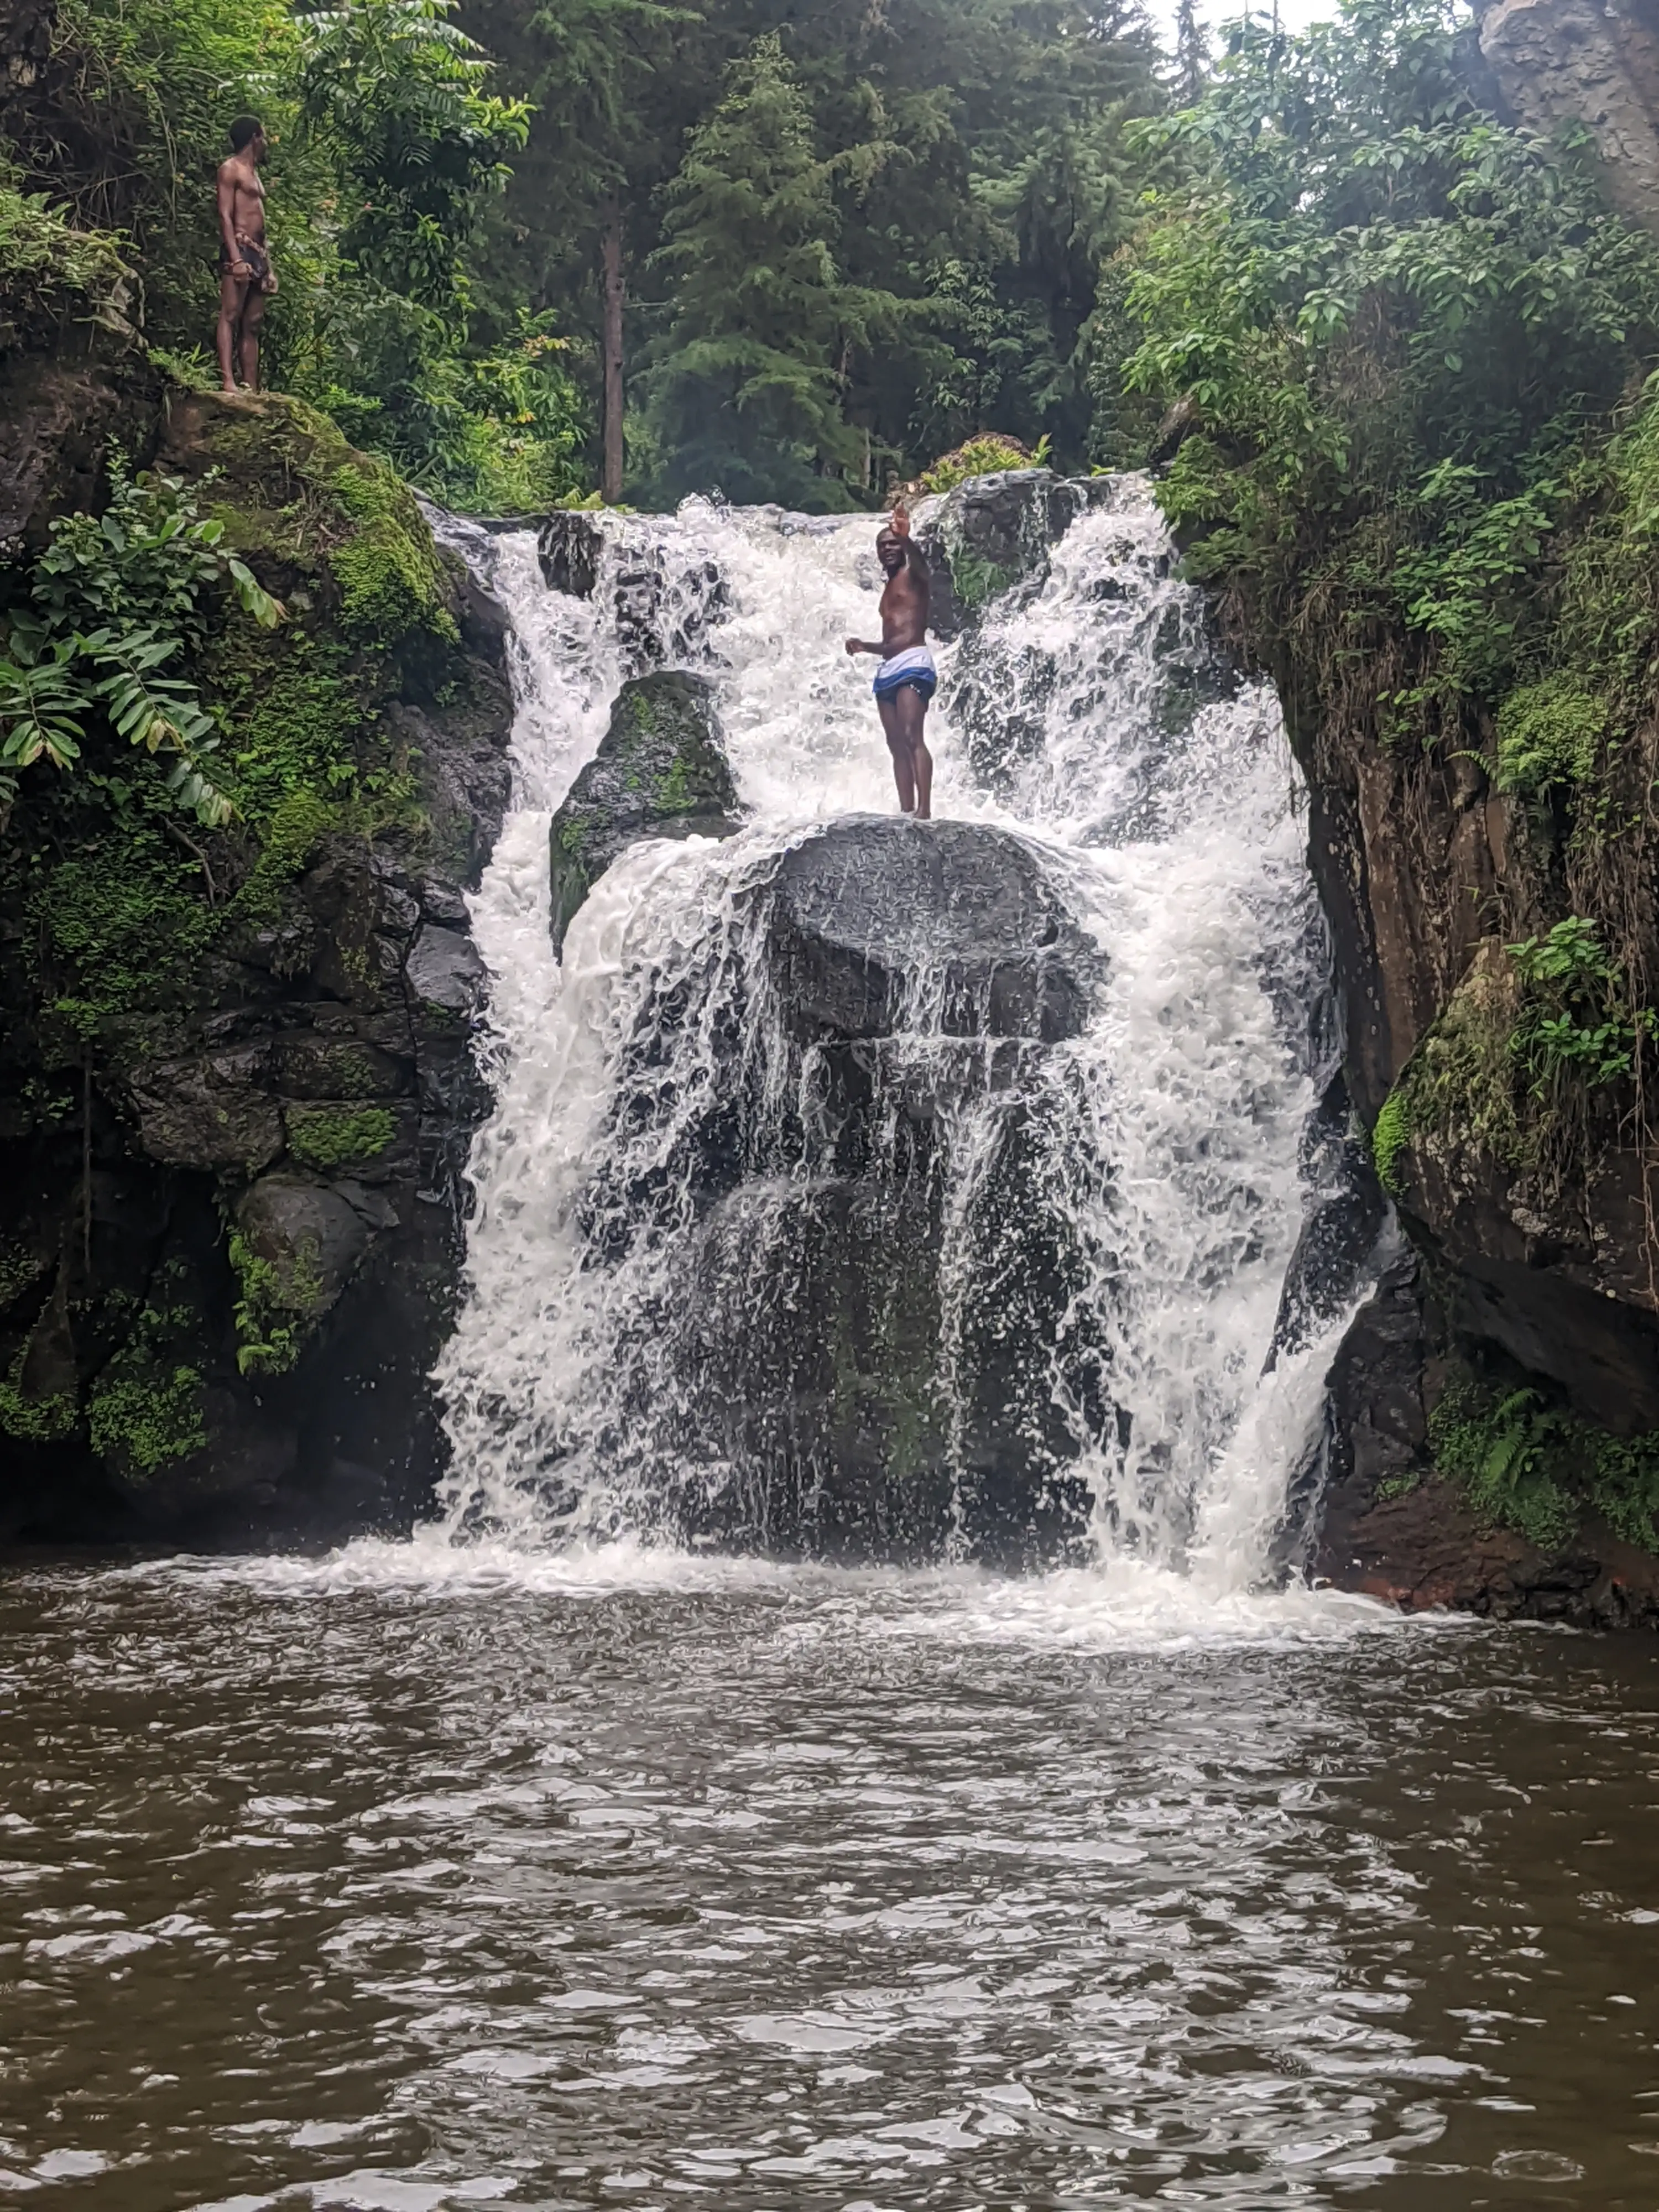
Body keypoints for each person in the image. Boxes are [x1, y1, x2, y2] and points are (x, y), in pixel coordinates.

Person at [844, 504, 936, 818]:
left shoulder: (913, 575)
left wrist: (906, 538)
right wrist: (864, 646)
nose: (889, 549)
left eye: (893, 544)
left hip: (913, 662)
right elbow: (890, 643)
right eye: (883, 546)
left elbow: (923, 567)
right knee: (895, 743)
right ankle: (906, 809)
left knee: (912, 736)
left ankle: (924, 810)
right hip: (888, 668)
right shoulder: (887, 589)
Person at [215, 117, 276, 394]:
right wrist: (235, 258)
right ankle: (228, 381)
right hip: (238, 246)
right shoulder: (230, 169)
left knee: (253, 322)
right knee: (230, 313)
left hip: (258, 252)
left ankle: (251, 387)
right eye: (264, 136)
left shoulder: (255, 174)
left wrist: (269, 268)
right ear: (255, 137)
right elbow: (225, 216)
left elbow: (262, 227)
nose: (266, 142)